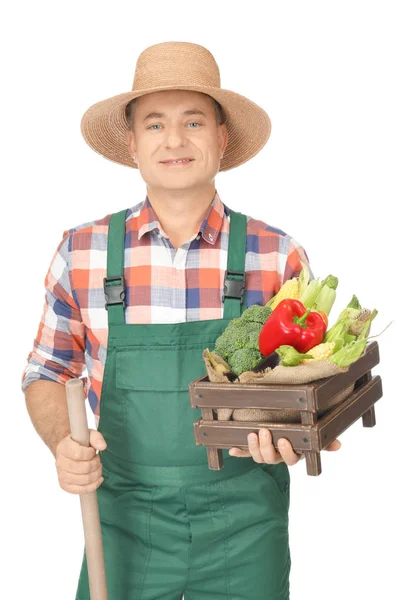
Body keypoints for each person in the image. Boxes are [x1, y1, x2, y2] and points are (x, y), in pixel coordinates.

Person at [22, 41, 341, 600]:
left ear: (221, 138)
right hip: (122, 520)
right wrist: (61, 444)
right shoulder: (83, 252)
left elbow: (309, 384)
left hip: (247, 522)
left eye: (193, 121)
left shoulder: (276, 255)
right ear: (132, 144)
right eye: (154, 124)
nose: (174, 140)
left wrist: (297, 436)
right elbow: (48, 371)